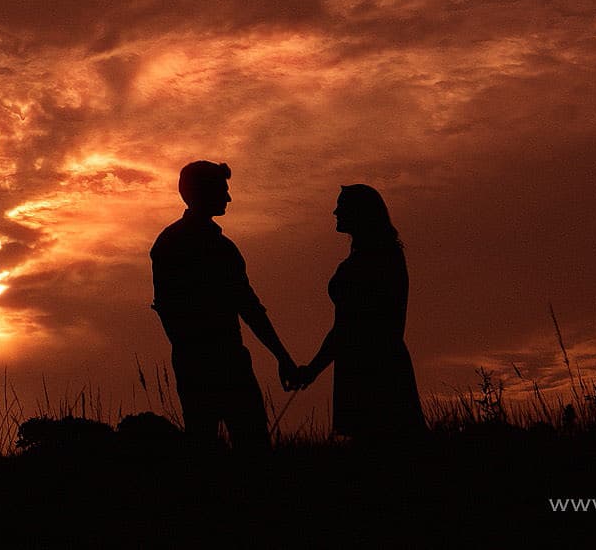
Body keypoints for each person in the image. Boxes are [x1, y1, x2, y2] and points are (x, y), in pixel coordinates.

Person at [151, 160, 299, 450]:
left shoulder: (172, 243)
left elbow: (247, 307)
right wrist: (282, 357)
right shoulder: (212, 248)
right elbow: (249, 308)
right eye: (222, 190)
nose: (229, 198)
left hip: (202, 362)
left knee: (210, 443)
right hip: (222, 362)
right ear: (201, 192)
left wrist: (282, 357)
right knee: (248, 445)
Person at [291, 183, 425, 439]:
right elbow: (344, 326)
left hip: (373, 367)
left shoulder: (376, 259)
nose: (334, 212)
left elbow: (348, 327)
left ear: (360, 212)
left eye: (341, 206)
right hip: (366, 363)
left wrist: (313, 369)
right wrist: (314, 369)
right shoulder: (382, 256)